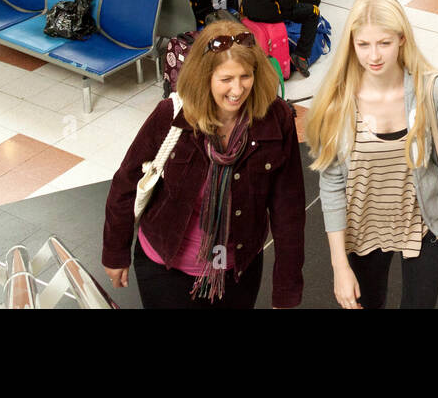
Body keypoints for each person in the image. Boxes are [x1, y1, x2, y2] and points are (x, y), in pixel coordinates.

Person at [102, 19, 304, 308]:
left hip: (236, 272)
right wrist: (115, 251)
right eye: (226, 79)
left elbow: (289, 208)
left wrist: (287, 289)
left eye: (246, 76)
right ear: (204, 77)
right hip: (166, 268)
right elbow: (126, 181)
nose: (238, 90)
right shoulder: (170, 114)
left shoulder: (276, 120)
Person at [307, 0, 438, 309]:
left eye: (384, 43)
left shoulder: (434, 92)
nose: (374, 55)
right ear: (351, 44)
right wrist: (338, 266)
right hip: (363, 228)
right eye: (364, 45)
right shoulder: (337, 103)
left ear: (401, 39)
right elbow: (331, 185)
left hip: (424, 224)